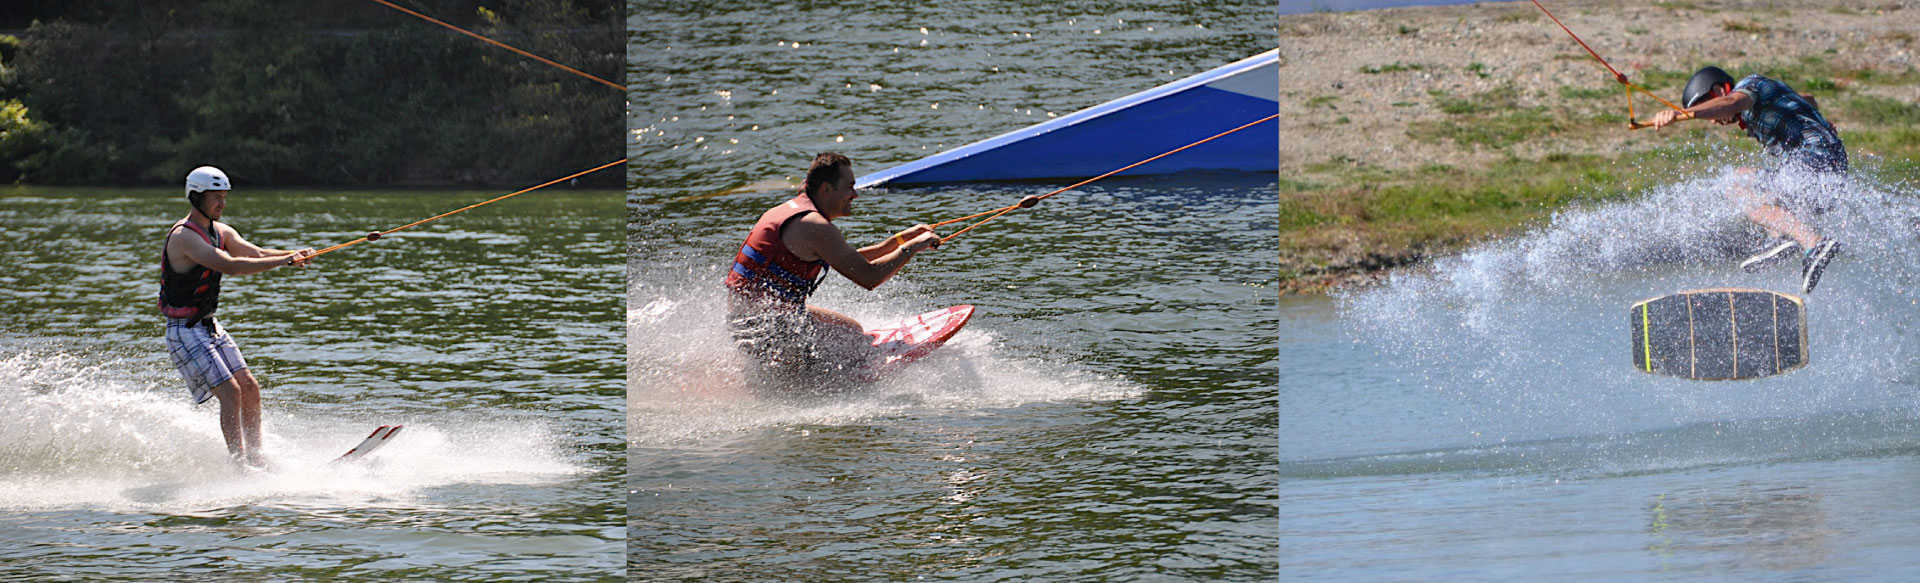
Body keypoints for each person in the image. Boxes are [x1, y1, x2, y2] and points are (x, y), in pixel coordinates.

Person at [724, 152, 942, 390]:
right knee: (853, 345)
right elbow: (868, 277)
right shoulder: (813, 226)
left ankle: (799, 371)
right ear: (826, 189)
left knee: (851, 331)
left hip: (751, 321)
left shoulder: (792, 211)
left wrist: (899, 241)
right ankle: (806, 385)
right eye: (849, 187)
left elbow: (848, 259)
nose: (855, 195)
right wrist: (911, 249)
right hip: (768, 329)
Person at [160, 166, 314, 468]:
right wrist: (284, 261)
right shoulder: (184, 238)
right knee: (230, 392)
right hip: (183, 330)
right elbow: (230, 265)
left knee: (249, 387)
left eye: (224, 197)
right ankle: (238, 465)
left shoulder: (221, 231)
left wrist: (294, 253)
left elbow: (253, 253)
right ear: (196, 197)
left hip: (207, 326)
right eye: (216, 198)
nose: (222, 204)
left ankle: (256, 457)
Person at [1648, 65, 1846, 294]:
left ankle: (1813, 243)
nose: (1712, 120)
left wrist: (1681, 114)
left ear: (1720, 89)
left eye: (1708, 107)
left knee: (1737, 189)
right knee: (1743, 175)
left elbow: (1732, 103)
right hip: (1827, 168)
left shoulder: (1750, 86)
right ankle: (1780, 237)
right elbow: (1807, 99)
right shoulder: (1762, 102)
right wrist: (1820, 121)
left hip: (1813, 163)